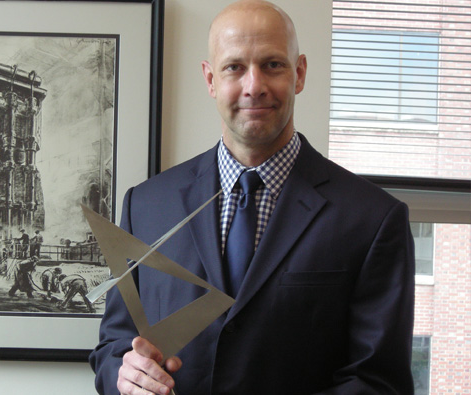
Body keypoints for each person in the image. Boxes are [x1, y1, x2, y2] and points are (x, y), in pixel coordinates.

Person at [88, 1, 415, 394]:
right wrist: (124, 376)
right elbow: (113, 347)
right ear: (210, 79)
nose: (254, 85)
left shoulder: (373, 219)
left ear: (300, 73)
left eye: (273, 64)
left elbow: (378, 382)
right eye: (234, 67)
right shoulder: (145, 206)